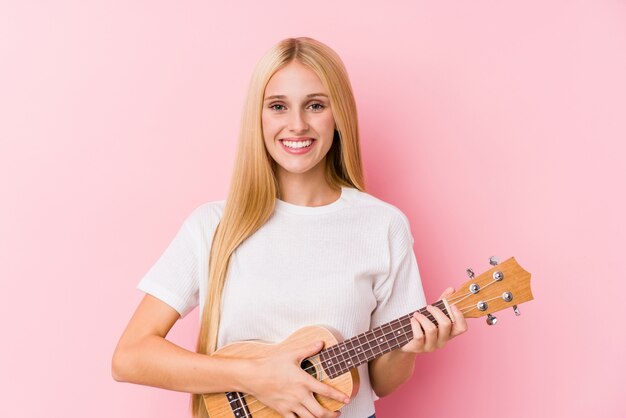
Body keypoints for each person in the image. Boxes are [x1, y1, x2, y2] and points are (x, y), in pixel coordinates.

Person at [112, 36, 468, 418]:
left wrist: (405, 348)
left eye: (315, 105)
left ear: (339, 116)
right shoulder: (213, 225)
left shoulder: (383, 225)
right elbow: (129, 357)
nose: (297, 125)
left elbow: (379, 383)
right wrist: (255, 376)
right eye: (278, 106)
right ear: (259, 118)